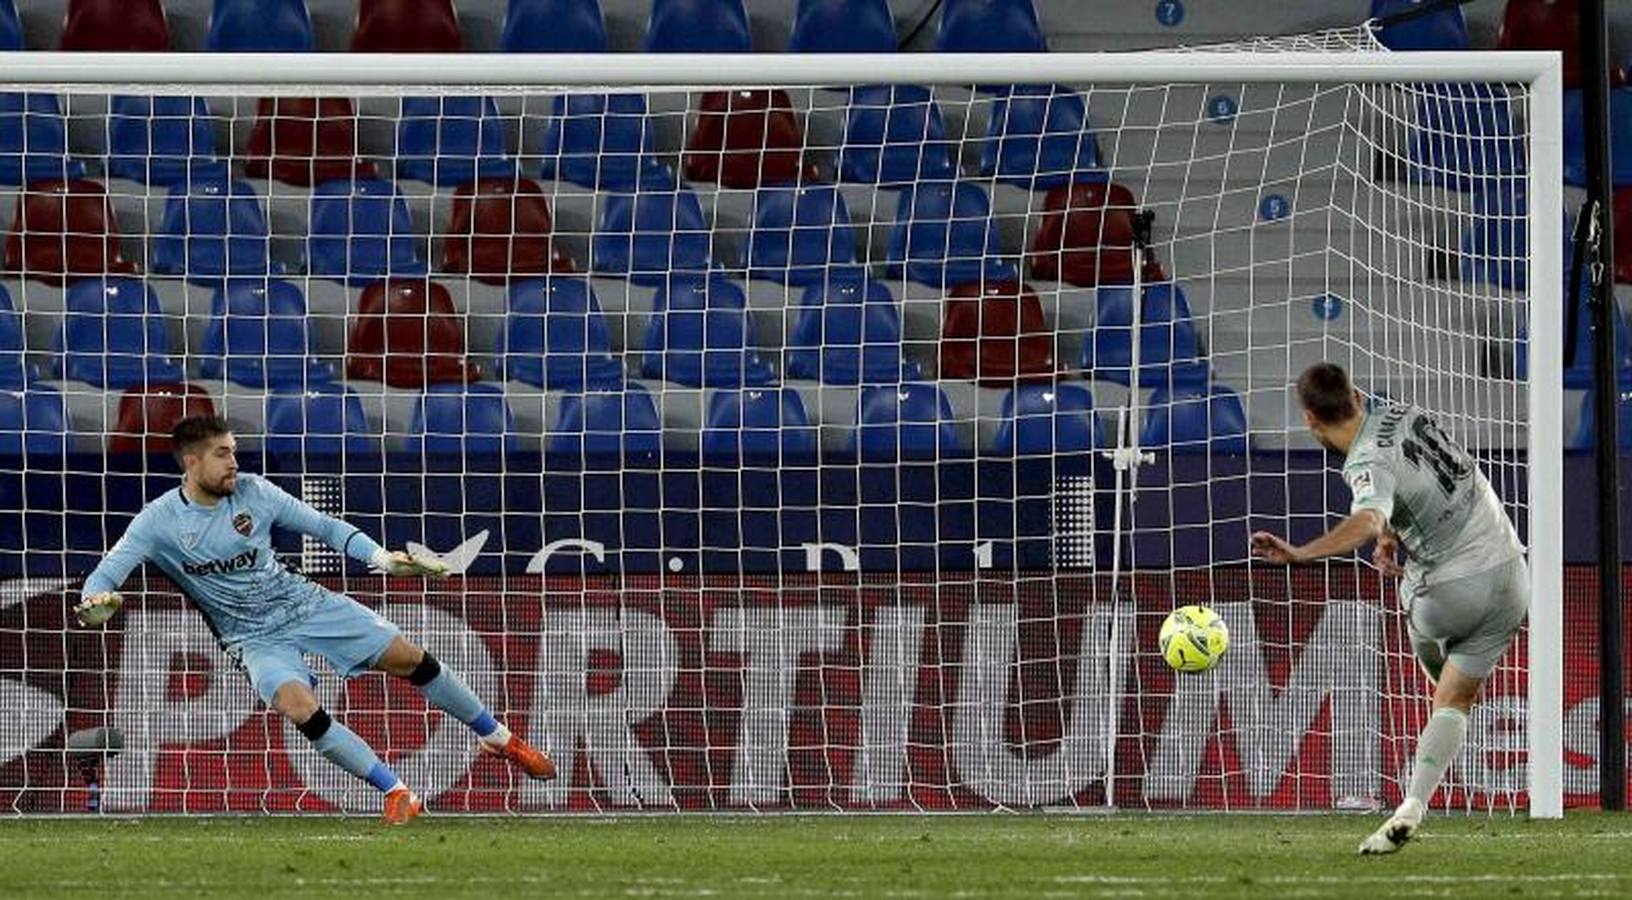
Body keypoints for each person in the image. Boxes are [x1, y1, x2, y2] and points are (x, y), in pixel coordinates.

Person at [74, 415, 555, 824]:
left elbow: (325, 527)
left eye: (235, 452)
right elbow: (106, 573)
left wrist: (382, 560)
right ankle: (397, 792)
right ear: (191, 461)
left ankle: (500, 739)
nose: (234, 463)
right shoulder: (158, 521)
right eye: (223, 454)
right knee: (298, 707)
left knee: (409, 658)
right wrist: (97, 601)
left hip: (305, 604)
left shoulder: (255, 492)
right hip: (250, 635)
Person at [1249, 363, 1527, 854]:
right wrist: (1393, 534)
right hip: (1511, 573)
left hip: (1452, 590)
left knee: (1416, 601)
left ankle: (1435, 697)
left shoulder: (1363, 462)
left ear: (1311, 420)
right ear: (1357, 394)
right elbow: (1432, 479)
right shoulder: (1405, 412)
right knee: (1456, 701)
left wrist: (1302, 552)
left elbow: (1367, 516)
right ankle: (1413, 804)